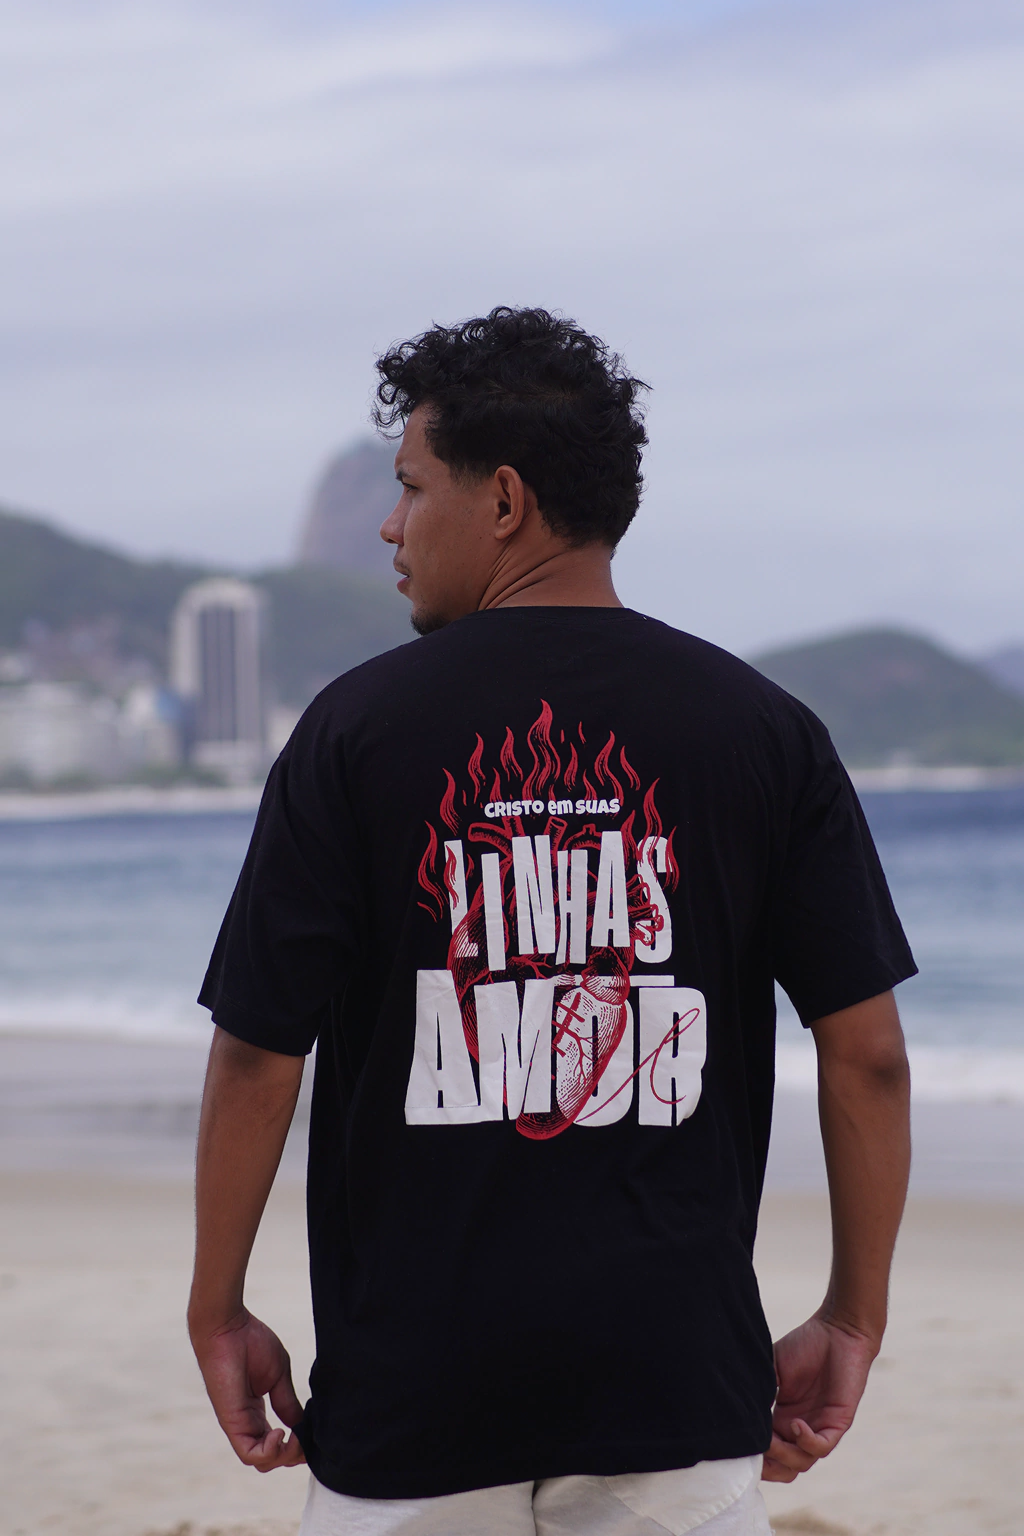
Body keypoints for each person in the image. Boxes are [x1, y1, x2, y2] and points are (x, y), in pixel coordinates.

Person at [189, 306, 915, 1536]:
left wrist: (218, 1303)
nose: (389, 525)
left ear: (503, 499)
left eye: (411, 485)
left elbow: (261, 1052)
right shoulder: (763, 729)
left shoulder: (354, 730)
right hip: (673, 1393)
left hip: (411, 1401)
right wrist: (852, 1312)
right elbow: (870, 1054)